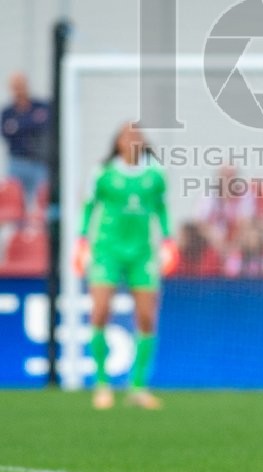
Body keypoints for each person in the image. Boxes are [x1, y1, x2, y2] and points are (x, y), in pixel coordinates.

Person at [73, 122, 179, 409]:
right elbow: (89, 206)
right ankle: (102, 384)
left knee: (146, 317)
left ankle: (138, 387)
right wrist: (81, 240)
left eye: (137, 135)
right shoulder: (103, 172)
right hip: (107, 251)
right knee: (100, 311)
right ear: (118, 142)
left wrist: (168, 240)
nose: (132, 139)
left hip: (142, 254)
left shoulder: (155, 174)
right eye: (127, 135)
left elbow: (161, 208)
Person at [1, 72, 50, 217]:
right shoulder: (7, 112)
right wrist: (32, 122)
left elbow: (45, 126)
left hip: (39, 163)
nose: (19, 90)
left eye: (21, 85)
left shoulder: (41, 106)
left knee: (41, 204)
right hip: (17, 162)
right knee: (15, 205)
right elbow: (6, 134)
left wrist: (18, 126)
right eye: (15, 86)